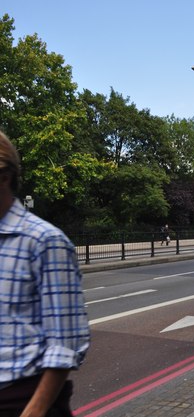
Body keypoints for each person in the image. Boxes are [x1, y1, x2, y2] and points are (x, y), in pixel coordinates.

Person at [0, 131, 90, 416]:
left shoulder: (45, 241)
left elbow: (65, 344)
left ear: (4, 176)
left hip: (23, 400)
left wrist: (33, 412)